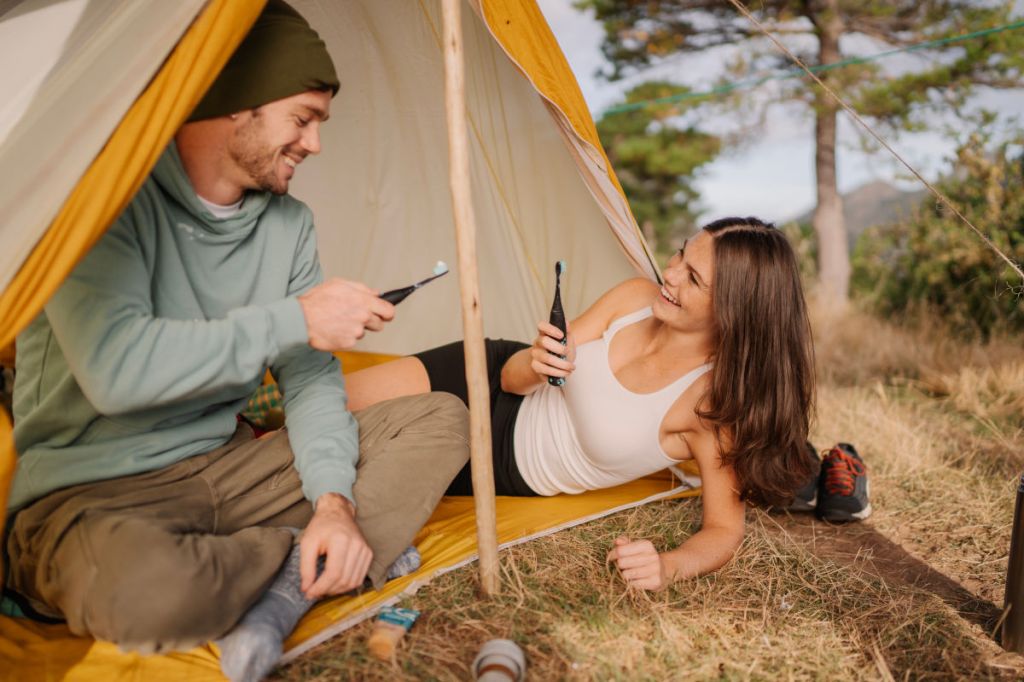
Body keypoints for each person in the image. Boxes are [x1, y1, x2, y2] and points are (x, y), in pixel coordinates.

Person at [3, 2, 469, 680]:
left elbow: (309, 381)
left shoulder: (289, 227)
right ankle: (297, 555)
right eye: (303, 118)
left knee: (441, 419)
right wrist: (295, 319)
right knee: (150, 595)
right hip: (92, 492)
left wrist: (335, 502)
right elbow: (114, 371)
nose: (315, 144)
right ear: (235, 106)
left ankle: (299, 567)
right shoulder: (107, 199)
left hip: (228, 470)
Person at [345, 217, 816, 591]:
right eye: (680, 253)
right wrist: (537, 361)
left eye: (692, 278)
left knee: (350, 454)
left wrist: (668, 566)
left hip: (503, 462)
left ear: (733, 311)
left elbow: (722, 531)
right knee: (329, 404)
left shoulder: (709, 408)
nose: (669, 274)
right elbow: (510, 379)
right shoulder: (635, 298)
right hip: (492, 372)